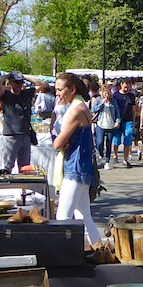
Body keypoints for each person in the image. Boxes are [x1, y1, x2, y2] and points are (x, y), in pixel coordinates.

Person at [52, 73, 101, 244]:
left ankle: (64, 255)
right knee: (84, 217)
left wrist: (62, 141)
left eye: (59, 90)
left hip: (76, 168)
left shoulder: (76, 111)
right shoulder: (82, 107)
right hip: (83, 167)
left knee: (63, 216)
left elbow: (57, 143)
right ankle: (101, 250)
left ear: (72, 90)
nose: (57, 94)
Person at [0, 71, 37, 174]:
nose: (20, 85)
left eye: (21, 82)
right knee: (7, 167)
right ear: (10, 82)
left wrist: (25, 76)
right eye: (17, 82)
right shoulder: (6, 95)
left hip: (25, 134)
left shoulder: (26, 94)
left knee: (25, 168)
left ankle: (24, 188)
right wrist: (8, 76)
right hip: (11, 135)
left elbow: (42, 85)